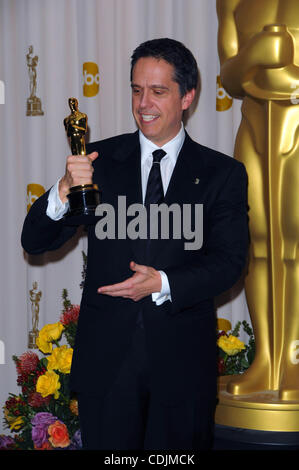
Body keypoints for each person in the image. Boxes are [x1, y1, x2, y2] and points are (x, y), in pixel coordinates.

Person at [21, 38, 248, 450]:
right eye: (136, 89)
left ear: (188, 97)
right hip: (107, 369)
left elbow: (230, 262)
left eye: (159, 91)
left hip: (182, 369)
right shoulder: (98, 162)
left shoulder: (222, 174)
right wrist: (63, 188)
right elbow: (35, 241)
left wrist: (161, 283)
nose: (144, 103)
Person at [217, 0, 299, 400]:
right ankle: (267, 358)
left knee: (296, 241)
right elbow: (231, 79)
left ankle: (295, 360)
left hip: (296, 125)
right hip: (254, 124)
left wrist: (290, 77)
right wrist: (254, 56)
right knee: (259, 242)